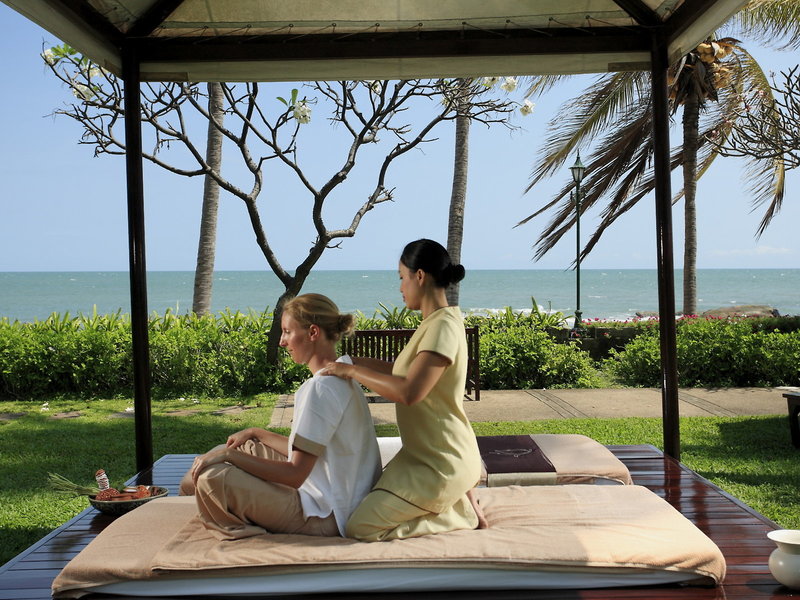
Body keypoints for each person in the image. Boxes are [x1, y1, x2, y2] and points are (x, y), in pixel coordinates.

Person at [321, 239, 486, 542]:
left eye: (401, 277)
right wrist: (352, 361)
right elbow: (401, 373)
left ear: (419, 276)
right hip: (420, 458)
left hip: (440, 463)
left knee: (361, 527)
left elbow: (410, 391)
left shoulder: (443, 327)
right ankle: (456, 501)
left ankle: (457, 515)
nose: (400, 287)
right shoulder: (435, 322)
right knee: (361, 504)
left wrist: (353, 372)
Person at [181, 293, 382, 540]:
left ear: (313, 332)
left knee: (212, 478)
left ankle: (203, 496)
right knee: (241, 446)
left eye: (287, 332)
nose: (282, 342)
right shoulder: (342, 376)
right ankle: (195, 487)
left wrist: (229, 456)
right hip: (334, 498)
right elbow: (312, 454)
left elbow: (295, 475)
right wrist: (255, 433)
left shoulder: (321, 389)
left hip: (323, 515)